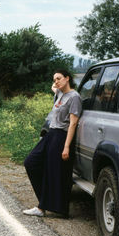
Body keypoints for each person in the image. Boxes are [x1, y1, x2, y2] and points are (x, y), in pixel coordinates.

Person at [23, 69, 82, 218]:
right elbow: (54, 88)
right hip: (51, 134)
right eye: (54, 79)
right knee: (31, 162)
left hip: (61, 136)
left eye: (59, 78)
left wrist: (66, 146)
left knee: (53, 172)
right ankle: (43, 203)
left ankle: (43, 207)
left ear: (67, 78)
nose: (56, 81)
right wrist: (57, 85)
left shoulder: (74, 97)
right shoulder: (60, 93)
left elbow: (73, 123)